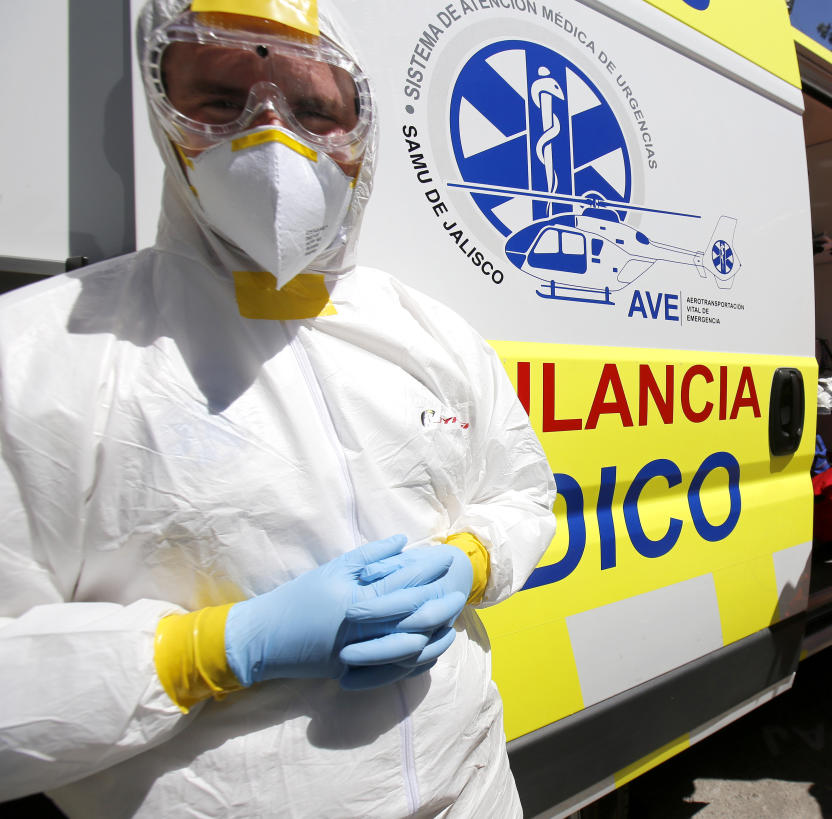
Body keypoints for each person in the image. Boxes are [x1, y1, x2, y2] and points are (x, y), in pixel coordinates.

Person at [0, 1, 556, 816]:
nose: (272, 137)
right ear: (163, 111)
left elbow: (522, 492)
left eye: (314, 107)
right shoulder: (38, 353)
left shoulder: (430, 333)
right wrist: (211, 651)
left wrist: (472, 560)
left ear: (359, 129)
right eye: (222, 100)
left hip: (472, 787)